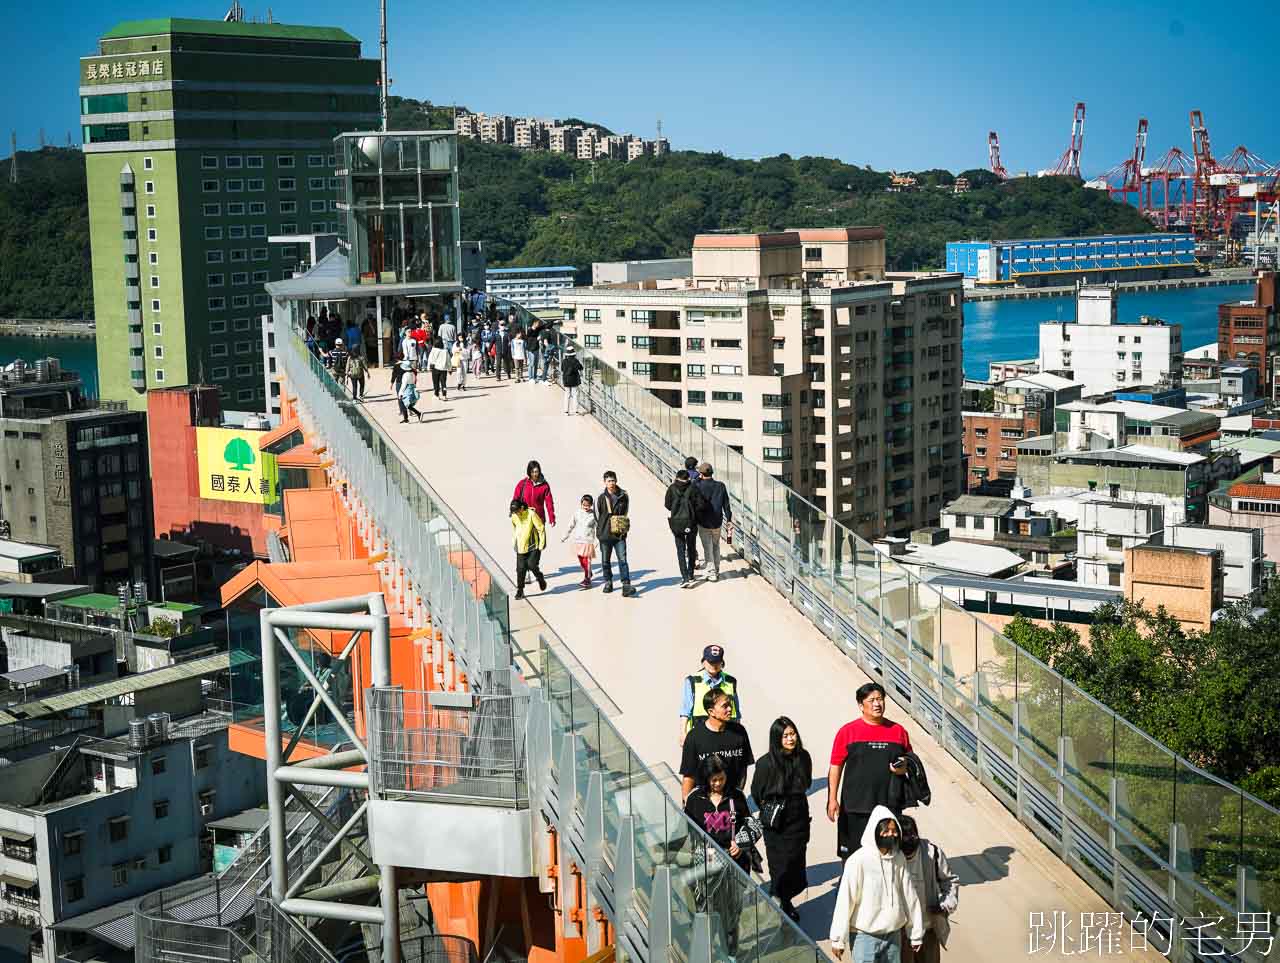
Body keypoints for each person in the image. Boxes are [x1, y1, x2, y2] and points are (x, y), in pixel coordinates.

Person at [684, 753, 759, 959]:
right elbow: (685, 831)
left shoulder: (736, 797)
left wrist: (741, 844)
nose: (718, 783)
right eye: (713, 779)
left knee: (732, 913)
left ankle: (731, 952)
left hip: (735, 864)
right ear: (705, 778)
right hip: (706, 865)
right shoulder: (694, 800)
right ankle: (705, 950)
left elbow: (750, 823)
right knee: (706, 909)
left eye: (722, 778)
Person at [828, 682, 913, 860]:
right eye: (872, 700)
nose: (877, 704)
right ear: (861, 705)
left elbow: (911, 762)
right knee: (853, 856)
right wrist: (832, 798)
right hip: (855, 806)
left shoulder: (898, 732)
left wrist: (903, 768)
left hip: (889, 806)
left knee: (888, 854)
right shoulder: (848, 732)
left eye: (880, 699)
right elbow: (836, 766)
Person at [829, 806, 925, 962]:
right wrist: (838, 939)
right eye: (885, 831)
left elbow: (909, 896)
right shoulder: (858, 861)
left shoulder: (899, 858)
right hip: (864, 937)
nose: (890, 835)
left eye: (894, 831)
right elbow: (845, 900)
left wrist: (915, 933)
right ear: (875, 831)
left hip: (893, 935)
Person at [751, 716, 812, 922]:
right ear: (777, 738)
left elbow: (807, 783)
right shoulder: (765, 764)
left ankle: (785, 900)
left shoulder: (803, 757)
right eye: (785, 735)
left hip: (798, 819)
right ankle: (780, 902)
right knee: (780, 867)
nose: (790, 739)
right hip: (776, 824)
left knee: (796, 865)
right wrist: (772, 809)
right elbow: (757, 793)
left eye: (792, 733)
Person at [896, 815, 959, 963]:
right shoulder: (890, 856)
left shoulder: (932, 853)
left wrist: (944, 906)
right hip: (901, 933)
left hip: (928, 928)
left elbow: (950, 881)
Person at [680, 689, 753, 800]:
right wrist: (686, 804)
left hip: (731, 800)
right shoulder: (694, 737)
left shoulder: (739, 732)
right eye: (725, 706)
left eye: (730, 705)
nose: (730, 709)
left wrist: (737, 794)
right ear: (711, 711)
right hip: (704, 802)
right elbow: (689, 776)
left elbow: (743, 768)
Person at [679, 644, 740, 744]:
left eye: (717, 662)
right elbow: (685, 710)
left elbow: (736, 711)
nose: (713, 665)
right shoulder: (692, 681)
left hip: (726, 732)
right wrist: (683, 733)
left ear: (722, 663)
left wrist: (738, 732)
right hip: (699, 733)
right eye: (710, 662)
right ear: (703, 662)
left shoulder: (730, 681)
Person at [665, 469, 706, 588]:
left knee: (680, 550)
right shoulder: (693, 488)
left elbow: (667, 505)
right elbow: (701, 505)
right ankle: (691, 574)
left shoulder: (672, 488)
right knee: (691, 548)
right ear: (688, 478)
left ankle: (684, 577)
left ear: (677, 477)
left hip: (677, 523)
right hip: (691, 523)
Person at [596, 470, 634, 597]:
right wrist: (602, 529)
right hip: (605, 534)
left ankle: (626, 584)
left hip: (619, 534)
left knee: (623, 559)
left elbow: (626, 511)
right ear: (604, 482)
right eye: (609, 481)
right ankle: (608, 581)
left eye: (613, 480)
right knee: (605, 561)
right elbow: (597, 515)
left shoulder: (624, 495)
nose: (611, 483)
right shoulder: (601, 498)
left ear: (616, 481)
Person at [694, 462, 733, 582]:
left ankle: (712, 573)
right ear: (712, 473)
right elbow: (726, 505)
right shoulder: (721, 486)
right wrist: (729, 520)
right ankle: (716, 569)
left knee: (707, 547)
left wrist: (697, 478)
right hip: (717, 521)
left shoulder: (697, 485)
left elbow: (693, 485)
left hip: (703, 522)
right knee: (716, 546)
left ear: (701, 473)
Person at [510, 498, 547, 600]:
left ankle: (540, 578)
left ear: (522, 508)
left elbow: (541, 528)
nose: (516, 514)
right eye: (514, 512)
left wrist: (542, 544)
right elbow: (514, 527)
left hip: (533, 546)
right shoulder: (514, 516)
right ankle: (520, 590)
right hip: (520, 547)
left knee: (531, 565)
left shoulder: (531, 514)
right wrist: (514, 541)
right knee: (520, 569)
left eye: (517, 511)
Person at [561, 494, 598, 588]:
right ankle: (588, 572)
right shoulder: (577, 513)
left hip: (588, 540)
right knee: (581, 560)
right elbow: (571, 525)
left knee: (587, 560)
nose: (586, 507)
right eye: (584, 505)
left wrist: (598, 541)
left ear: (591, 505)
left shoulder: (594, 514)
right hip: (578, 540)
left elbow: (598, 527)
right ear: (581, 504)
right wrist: (565, 536)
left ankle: (587, 579)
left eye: (588, 505)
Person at [512, 460, 556, 528]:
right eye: (532, 472)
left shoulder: (544, 486)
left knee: (540, 538)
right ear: (529, 472)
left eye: (536, 471)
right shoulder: (523, 484)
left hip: (539, 518)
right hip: (525, 518)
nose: (535, 474)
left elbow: (549, 503)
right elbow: (515, 498)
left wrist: (552, 518)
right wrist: (514, 511)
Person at [683, 456, 702, 570]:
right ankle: (694, 557)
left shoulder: (682, 476)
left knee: (686, 535)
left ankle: (692, 556)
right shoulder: (699, 477)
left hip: (685, 511)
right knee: (693, 535)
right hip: (696, 511)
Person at [561, 345, 583, 414]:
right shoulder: (576, 361)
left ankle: (566, 411)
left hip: (566, 380)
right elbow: (581, 367)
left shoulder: (564, 361)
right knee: (575, 395)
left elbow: (562, 369)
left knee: (567, 395)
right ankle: (576, 411)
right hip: (574, 380)